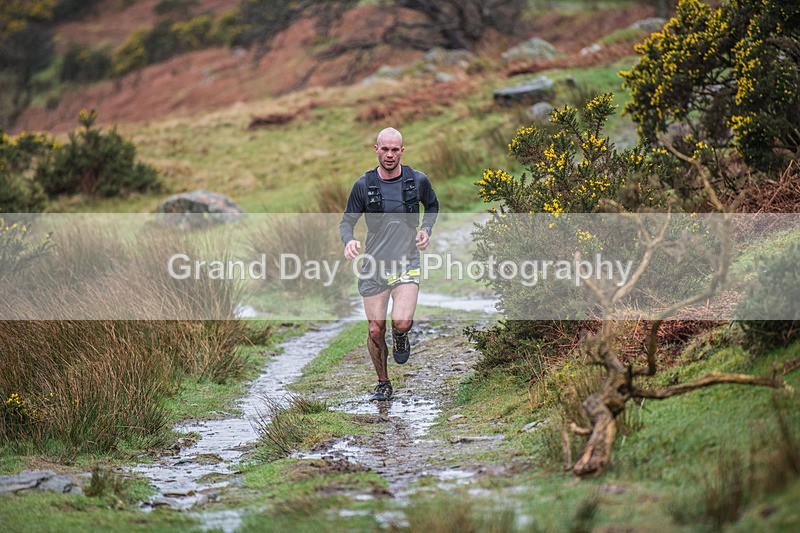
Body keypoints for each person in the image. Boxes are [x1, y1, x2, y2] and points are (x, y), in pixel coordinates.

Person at [340, 127, 439, 402]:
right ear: (376, 150)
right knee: (374, 329)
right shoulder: (363, 185)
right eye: (385, 149)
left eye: (395, 149)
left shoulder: (418, 180)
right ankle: (383, 382)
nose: (390, 154)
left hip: (407, 261)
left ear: (402, 151)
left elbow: (432, 206)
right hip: (373, 266)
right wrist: (348, 241)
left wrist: (426, 230)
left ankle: (401, 336)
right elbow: (347, 221)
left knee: (402, 322)